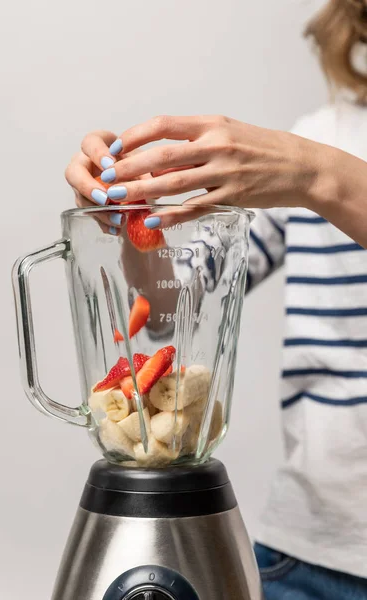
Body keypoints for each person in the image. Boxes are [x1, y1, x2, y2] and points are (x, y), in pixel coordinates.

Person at [65, 1, 367, 597]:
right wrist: (133, 218)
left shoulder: (308, 160)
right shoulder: (319, 138)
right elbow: (178, 301)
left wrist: (318, 177)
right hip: (309, 560)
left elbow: (314, 175)